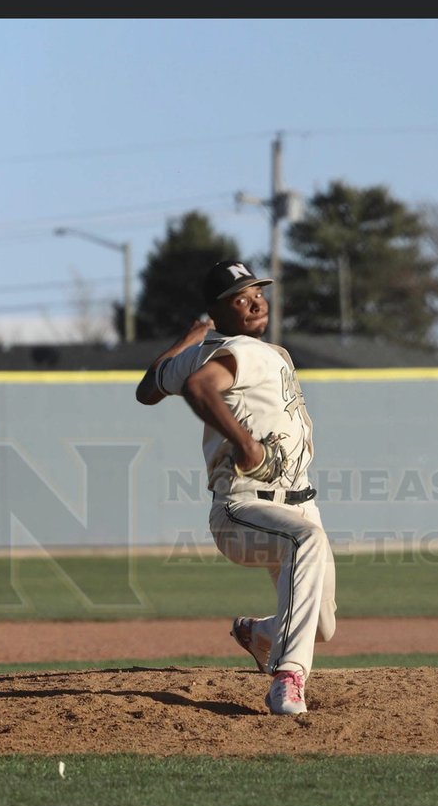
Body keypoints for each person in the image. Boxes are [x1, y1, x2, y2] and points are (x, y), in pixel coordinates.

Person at [135, 259, 337, 715]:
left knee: (321, 625)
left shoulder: (204, 349)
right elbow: (201, 387)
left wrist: (188, 339)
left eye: (258, 292)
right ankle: (288, 678)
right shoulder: (243, 351)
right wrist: (245, 444)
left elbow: (148, 388)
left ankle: (258, 633)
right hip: (243, 508)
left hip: (296, 506)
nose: (255, 302)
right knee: (306, 542)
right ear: (218, 310)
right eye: (240, 298)